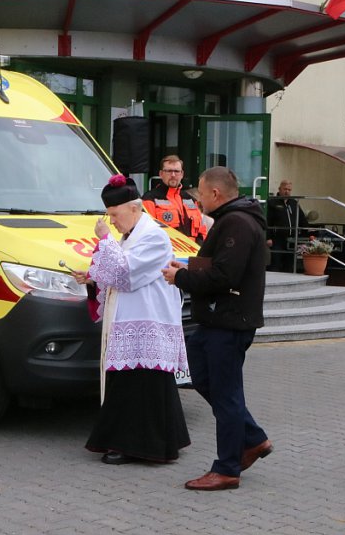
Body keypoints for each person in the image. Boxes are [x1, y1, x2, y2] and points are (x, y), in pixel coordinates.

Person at [161, 166, 271, 491]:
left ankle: (227, 468)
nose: (197, 197)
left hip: (229, 321)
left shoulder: (236, 221)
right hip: (215, 320)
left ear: (215, 194)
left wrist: (180, 278)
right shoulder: (230, 219)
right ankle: (252, 438)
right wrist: (190, 266)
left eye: (200, 190)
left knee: (226, 394)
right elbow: (220, 265)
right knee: (200, 375)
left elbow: (226, 276)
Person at [73, 174, 190, 464]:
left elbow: (126, 274)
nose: (111, 221)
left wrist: (103, 240)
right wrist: (91, 277)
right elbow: (117, 273)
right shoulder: (130, 236)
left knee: (141, 386)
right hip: (134, 320)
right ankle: (153, 441)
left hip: (148, 321)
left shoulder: (154, 236)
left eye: (114, 214)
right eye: (109, 216)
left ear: (134, 208)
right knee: (135, 384)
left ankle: (138, 446)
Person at [141, 155, 208, 244]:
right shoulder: (150, 199)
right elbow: (146, 232)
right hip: (165, 253)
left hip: (191, 253)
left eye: (176, 171)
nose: (173, 175)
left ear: (182, 174)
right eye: (169, 171)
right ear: (161, 174)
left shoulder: (190, 199)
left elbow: (201, 231)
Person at [265, 179, 308, 272]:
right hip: (277, 239)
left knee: (289, 265)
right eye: (285, 189)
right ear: (279, 189)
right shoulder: (272, 202)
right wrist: (268, 237)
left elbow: (302, 220)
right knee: (276, 263)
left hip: (292, 239)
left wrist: (304, 237)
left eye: (289, 190)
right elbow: (267, 220)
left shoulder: (294, 203)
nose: (287, 192)